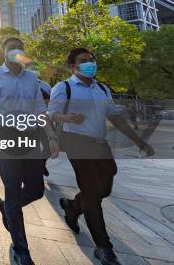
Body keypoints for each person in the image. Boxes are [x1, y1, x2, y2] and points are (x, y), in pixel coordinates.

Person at [49, 48, 154, 265]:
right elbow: (52, 113)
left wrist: (140, 141)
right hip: (77, 142)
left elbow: (115, 118)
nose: (90, 64)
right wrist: (67, 118)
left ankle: (73, 207)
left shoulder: (103, 89)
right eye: (83, 61)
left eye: (92, 60)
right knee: (92, 193)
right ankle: (103, 247)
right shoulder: (64, 87)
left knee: (103, 188)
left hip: (100, 144)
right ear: (72, 67)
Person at [0, 37, 59, 265]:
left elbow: (40, 109)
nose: (16, 51)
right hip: (7, 135)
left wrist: (51, 136)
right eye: (11, 48)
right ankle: (21, 250)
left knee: (36, 191)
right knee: (13, 189)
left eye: (20, 48)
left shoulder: (32, 78)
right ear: (3, 52)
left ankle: (7, 208)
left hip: (31, 137)